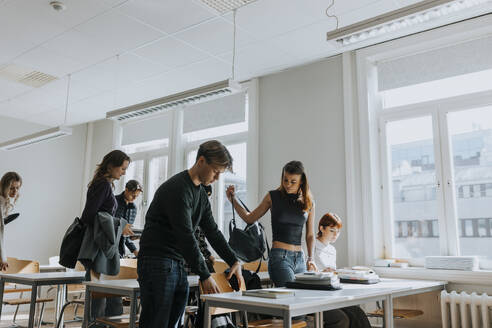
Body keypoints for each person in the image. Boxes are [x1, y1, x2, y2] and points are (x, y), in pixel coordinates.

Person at [138, 140, 243, 328]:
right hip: (158, 262)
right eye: (216, 171)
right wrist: (204, 274)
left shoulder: (201, 194)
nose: (217, 178)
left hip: (177, 263)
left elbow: (212, 230)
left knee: (173, 323)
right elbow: (185, 235)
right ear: (201, 161)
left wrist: (234, 261)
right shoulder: (178, 189)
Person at [226, 160, 317, 287]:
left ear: (302, 181)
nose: (288, 185)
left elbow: (310, 235)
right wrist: (233, 200)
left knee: (301, 299)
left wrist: (311, 258)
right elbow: (249, 218)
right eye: (285, 180)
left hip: (300, 259)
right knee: (291, 296)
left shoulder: (309, 202)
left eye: (293, 181)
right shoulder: (273, 197)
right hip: (280, 258)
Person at [78, 150, 134, 319]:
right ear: (111, 166)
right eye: (122, 168)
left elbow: (99, 215)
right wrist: (118, 225)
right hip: (98, 247)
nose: (124, 173)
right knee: (99, 299)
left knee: (107, 298)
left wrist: (117, 224)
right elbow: (89, 215)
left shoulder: (104, 184)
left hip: (102, 245)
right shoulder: (102, 185)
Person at [315, 213, 371, 328]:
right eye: (332, 230)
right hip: (317, 294)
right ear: (321, 228)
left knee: (358, 313)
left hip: (331, 293)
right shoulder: (310, 246)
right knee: (343, 319)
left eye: (338, 232)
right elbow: (303, 273)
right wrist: (321, 273)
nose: (335, 235)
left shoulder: (332, 249)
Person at [115, 179, 143, 258]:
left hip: (120, 250)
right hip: (108, 246)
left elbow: (126, 235)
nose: (134, 198)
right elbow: (107, 224)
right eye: (133, 195)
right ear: (126, 190)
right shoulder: (113, 201)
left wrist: (135, 251)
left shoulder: (133, 208)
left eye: (136, 196)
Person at [0, 172, 22, 271]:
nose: (15, 191)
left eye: (17, 188)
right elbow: (0, 232)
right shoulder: (1, 201)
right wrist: (3, 258)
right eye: (12, 188)